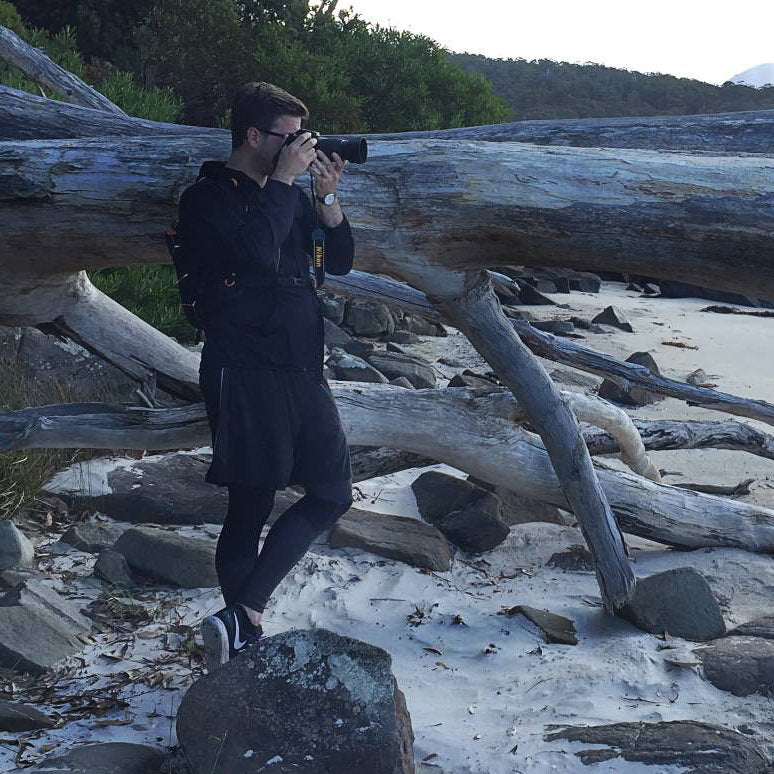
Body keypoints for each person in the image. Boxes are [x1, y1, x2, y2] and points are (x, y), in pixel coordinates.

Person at [176, 82, 355, 672]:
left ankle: (242, 611)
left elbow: (339, 261)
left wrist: (326, 203)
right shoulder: (206, 199)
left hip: (302, 367)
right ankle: (242, 634)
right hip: (243, 368)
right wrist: (283, 184)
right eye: (289, 137)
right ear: (253, 137)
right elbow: (253, 253)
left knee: (331, 492)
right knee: (249, 507)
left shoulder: (291, 198)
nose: (301, 146)